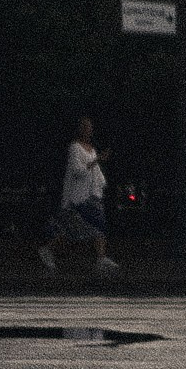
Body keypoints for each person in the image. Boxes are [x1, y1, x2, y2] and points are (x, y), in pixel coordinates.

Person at [38, 118, 120, 276]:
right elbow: (77, 171)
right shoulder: (75, 148)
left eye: (90, 127)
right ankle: (49, 250)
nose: (89, 130)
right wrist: (98, 160)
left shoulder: (91, 149)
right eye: (85, 127)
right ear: (79, 129)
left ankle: (100, 259)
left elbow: (96, 173)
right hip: (78, 198)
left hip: (91, 196)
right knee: (84, 228)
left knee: (86, 228)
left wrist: (100, 186)